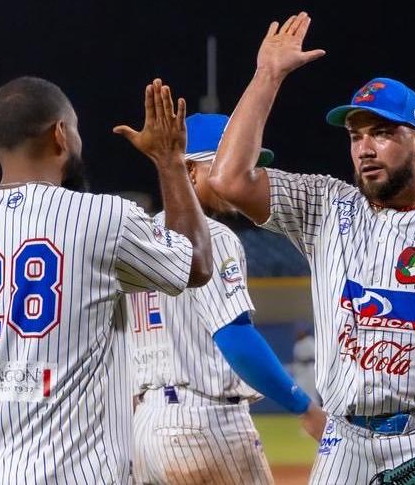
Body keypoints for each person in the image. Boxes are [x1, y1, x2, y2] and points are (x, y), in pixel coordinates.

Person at [207, 12, 415, 484]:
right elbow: (228, 179)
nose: (365, 148)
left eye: (383, 133)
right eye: (356, 136)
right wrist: (268, 75)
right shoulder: (324, 206)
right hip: (343, 442)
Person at [0, 76, 212, 484]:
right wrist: (169, 159)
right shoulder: (102, 218)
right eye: (74, 128)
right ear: (60, 134)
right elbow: (195, 264)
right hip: (79, 472)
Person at [127, 113, 327, 485]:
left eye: (247, 166)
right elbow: (234, 336)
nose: (243, 177)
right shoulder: (212, 236)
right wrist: (304, 407)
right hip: (205, 424)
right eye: (228, 164)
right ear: (189, 171)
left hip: (145, 428)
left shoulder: (138, 236)